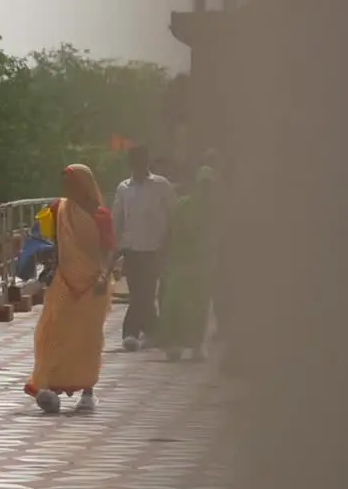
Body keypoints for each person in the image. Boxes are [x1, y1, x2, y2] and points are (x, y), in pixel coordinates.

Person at [24, 164, 117, 414]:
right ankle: (47, 388)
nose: (66, 189)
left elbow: (109, 251)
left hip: (93, 283)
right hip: (64, 280)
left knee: (87, 338)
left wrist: (103, 276)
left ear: (84, 185)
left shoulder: (100, 215)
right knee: (53, 332)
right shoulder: (59, 209)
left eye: (71, 184)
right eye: (64, 184)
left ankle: (87, 391)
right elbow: (47, 238)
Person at [112, 145, 177, 351]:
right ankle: (155, 331)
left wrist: (168, 244)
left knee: (146, 292)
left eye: (143, 162)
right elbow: (118, 220)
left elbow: (173, 217)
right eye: (135, 163)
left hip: (155, 248)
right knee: (140, 293)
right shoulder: (123, 188)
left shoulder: (161, 185)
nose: (139, 166)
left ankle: (130, 333)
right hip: (132, 249)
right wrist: (114, 248)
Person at [157, 160, 216, 361]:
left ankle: (196, 346)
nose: (206, 189)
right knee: (175, 304)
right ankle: (174, 345)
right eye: (203, 184)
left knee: (200, 306)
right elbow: (170, 232)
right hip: (180, 263)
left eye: (209, 185)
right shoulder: (183, 205)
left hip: (203, 265)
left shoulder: (215, 210)